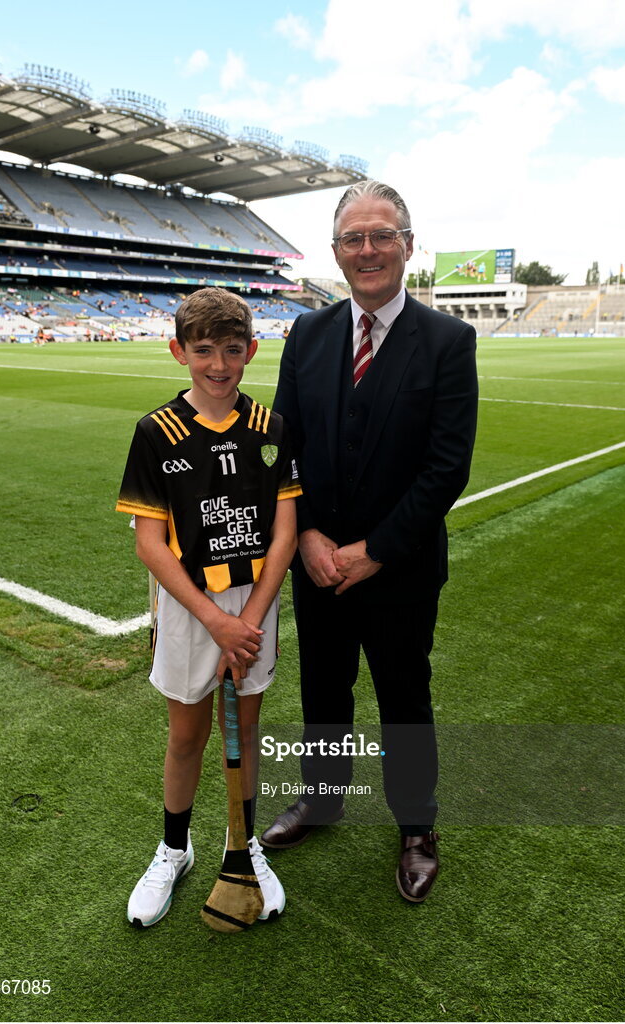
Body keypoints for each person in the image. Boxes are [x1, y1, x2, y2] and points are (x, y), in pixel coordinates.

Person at [260, 181, 478, 902]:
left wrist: (374, 549)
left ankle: (416, 825)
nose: (367, 250)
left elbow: (446, 467)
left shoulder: (448, 342)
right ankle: (322, 800)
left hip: (401, 567)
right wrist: (313, 537)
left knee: (402, 697)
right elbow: (283, 447)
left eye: (381, 235)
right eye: (352, 238)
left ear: (407, 246)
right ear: (335, 252)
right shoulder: (309, 334)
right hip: (315, 560)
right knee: (324, 688)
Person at [116, 287, 300, 927]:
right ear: (178, 352)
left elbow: (284, 534)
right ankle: (174, 848)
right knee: (189, 734)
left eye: (230, 350)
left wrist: (246, 620)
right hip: (190, 606)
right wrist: (217, 620)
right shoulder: (156, 432)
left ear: (250, 350)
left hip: (255, 602)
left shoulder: (270, 428)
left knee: (246, 731)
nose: (218, 365)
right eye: (203, 351)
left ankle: (243, 846)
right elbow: (150, 544)